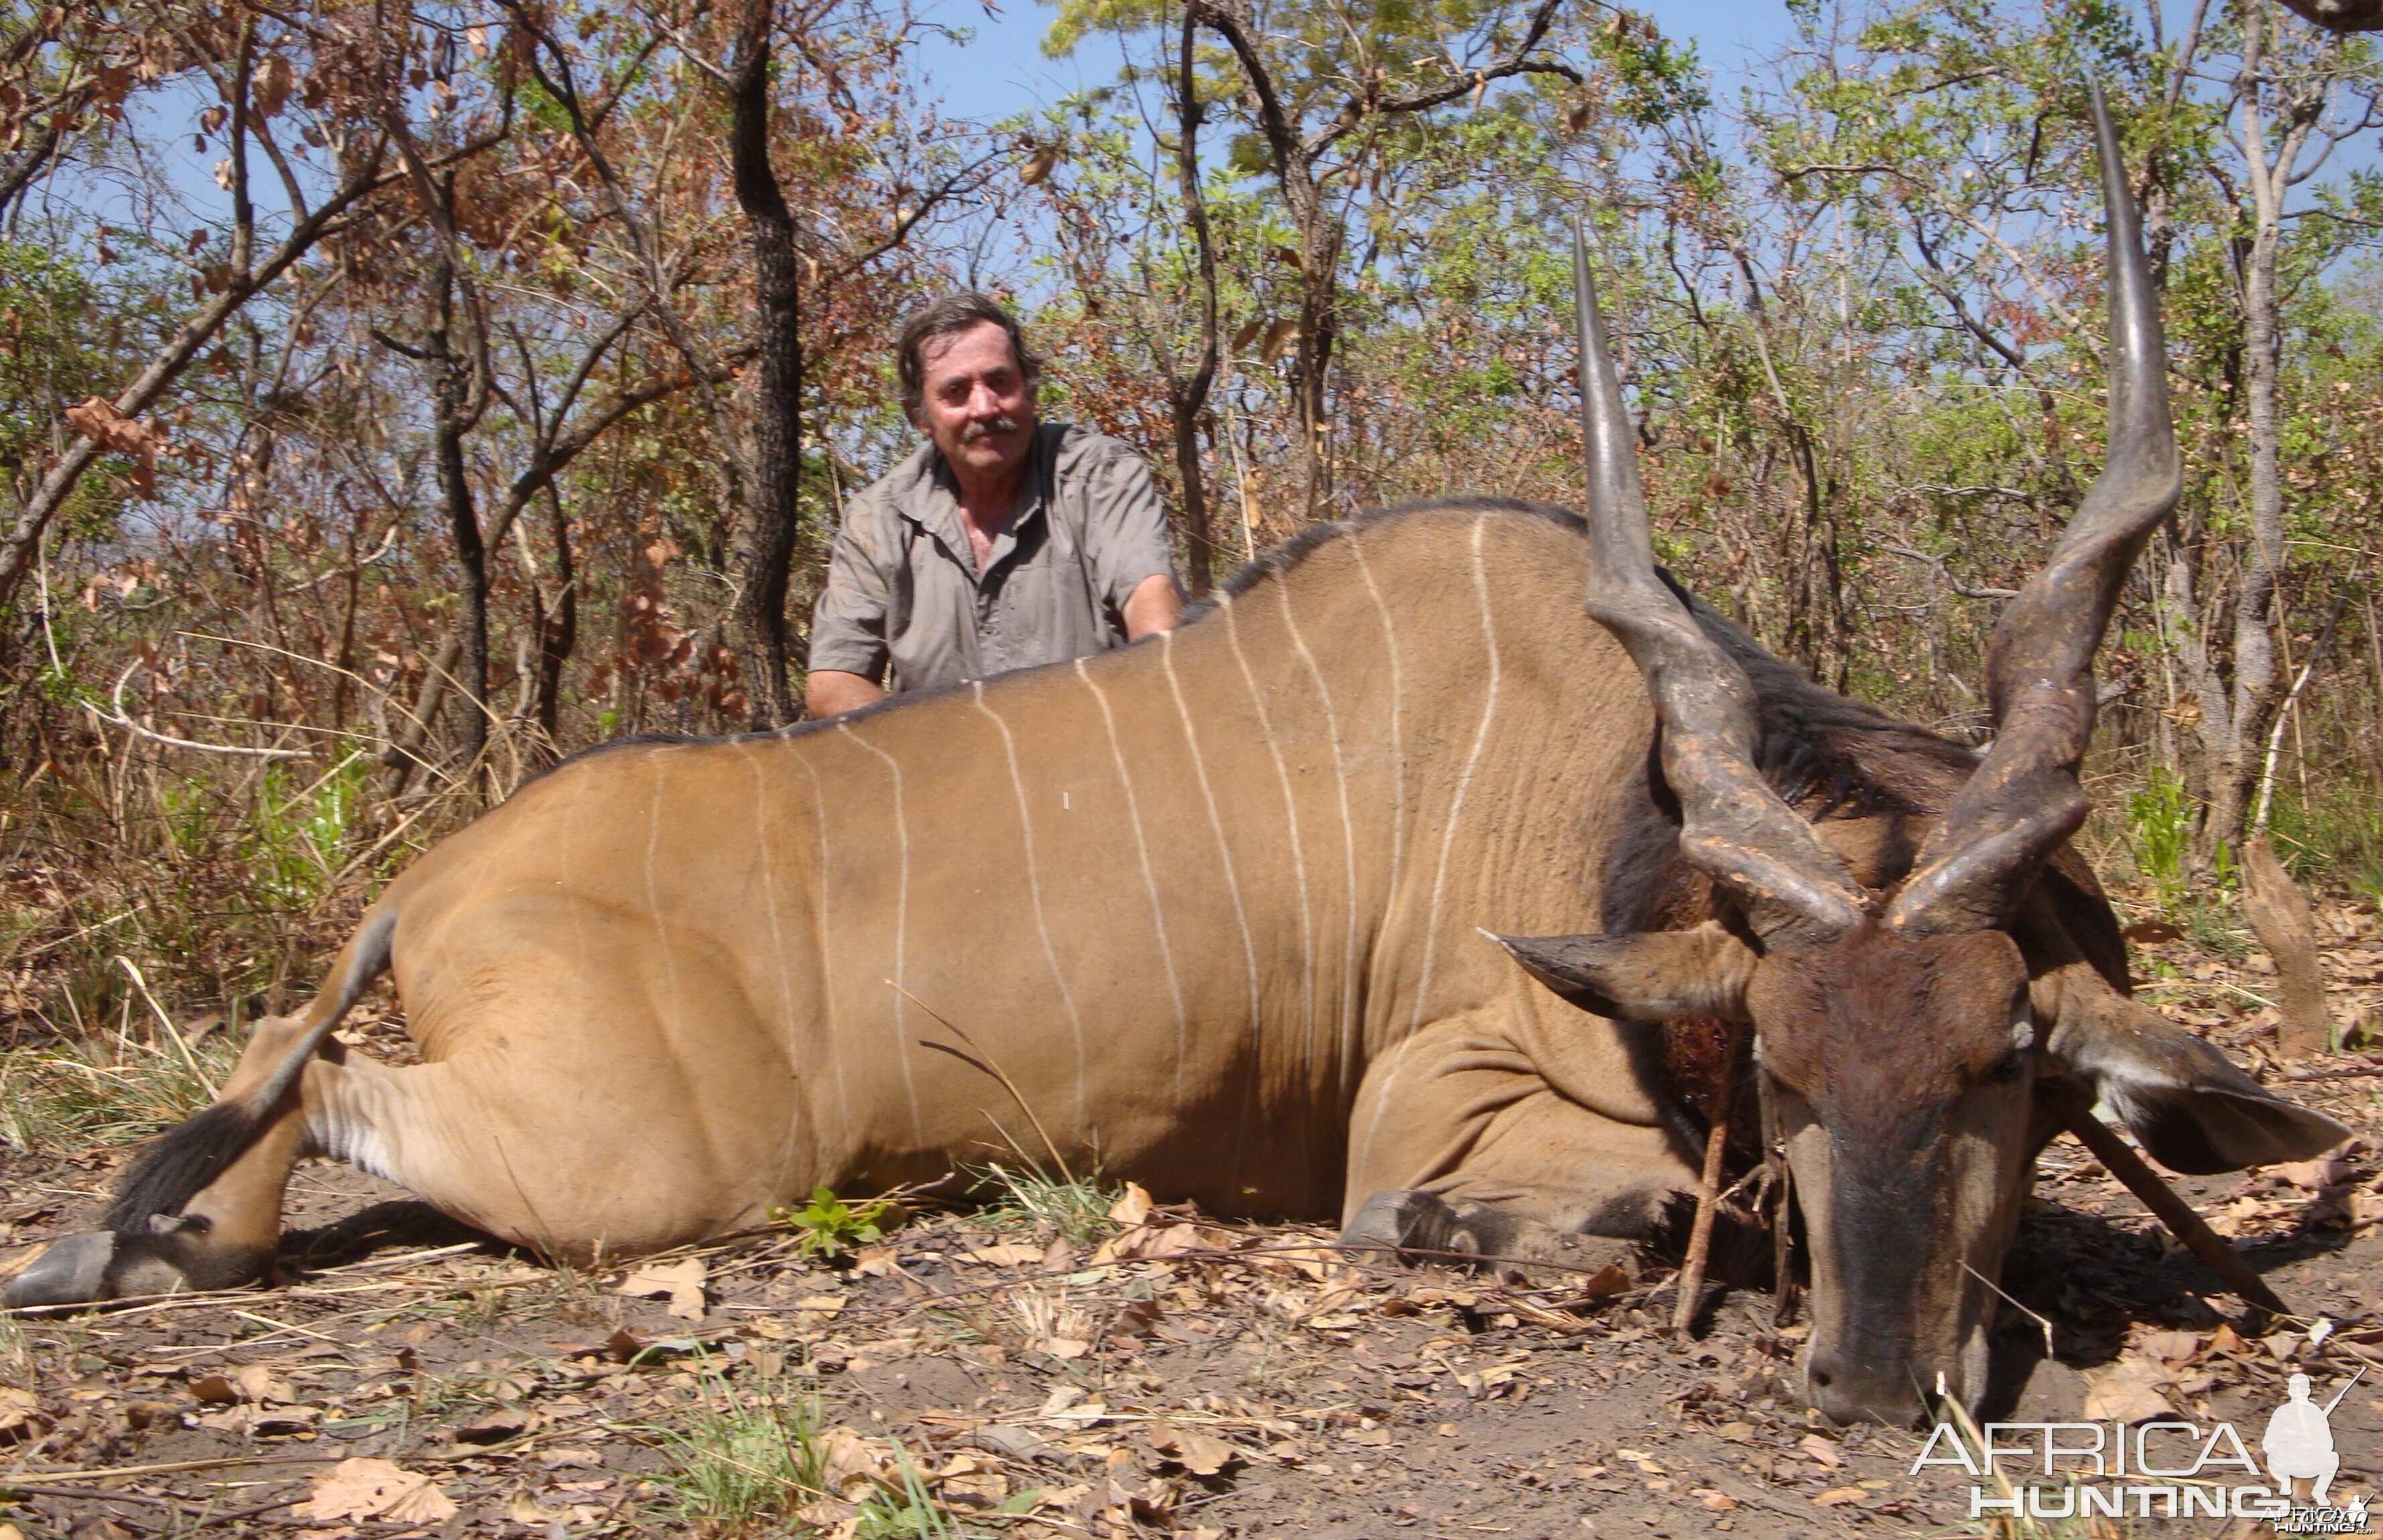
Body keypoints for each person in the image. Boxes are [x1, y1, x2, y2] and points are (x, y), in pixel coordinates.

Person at [804, 293, 1185, 718]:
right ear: (920, 417)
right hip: (948, 770)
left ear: (1030, 390)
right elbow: (834, 681)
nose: (984, 408)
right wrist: (944, 757)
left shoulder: (1100, 475)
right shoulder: (876, 519)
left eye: (1000, 382)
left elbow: (1151, 602)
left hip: (1095, 750)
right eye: (956, 392)